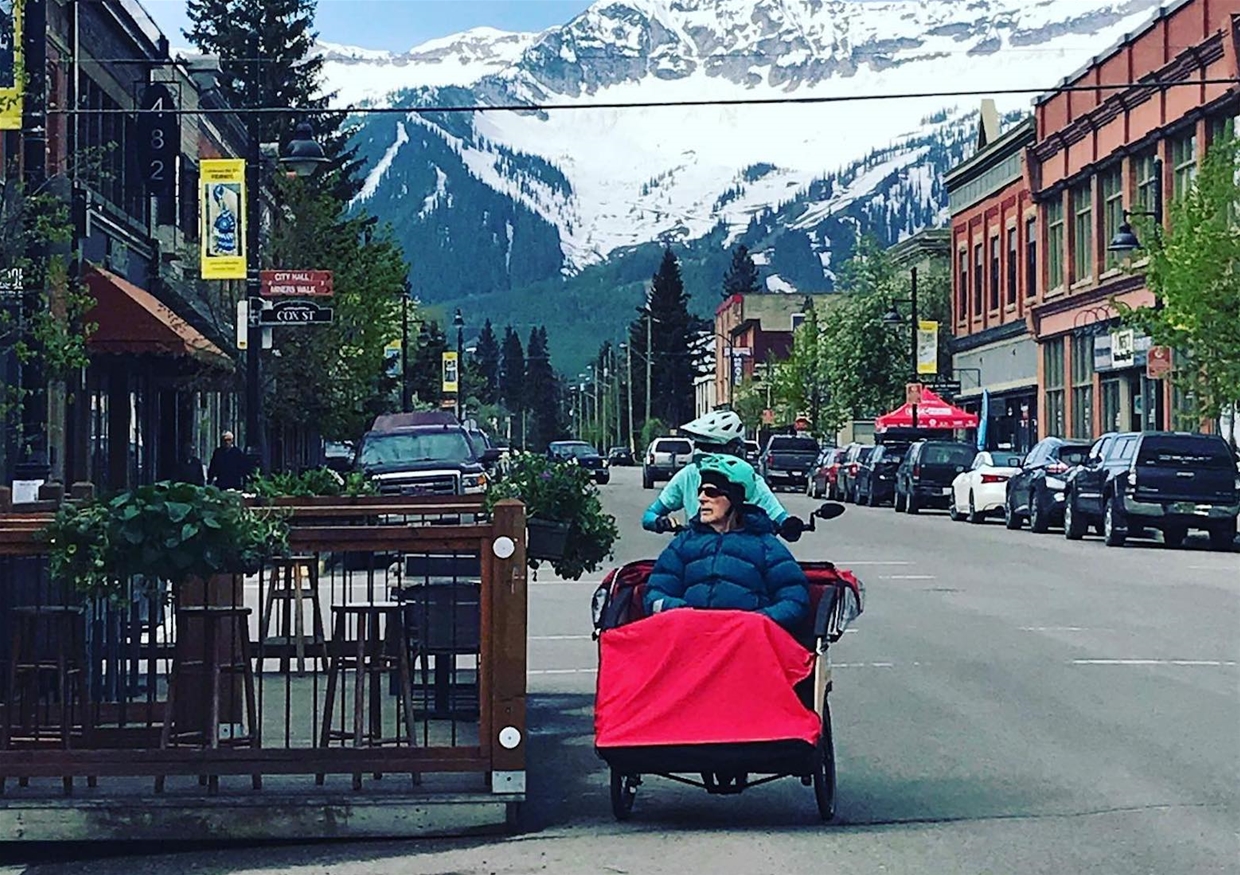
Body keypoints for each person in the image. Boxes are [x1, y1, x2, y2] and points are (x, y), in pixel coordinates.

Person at [643, 455, 809, 632]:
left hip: (745, 641)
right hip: (690, 638)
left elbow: (795, 600)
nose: (701, 498)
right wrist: (682, 613)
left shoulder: (767, 547)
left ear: (734, 498)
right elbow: (655, 595)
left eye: (711, 492)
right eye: (700, 491)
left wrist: (757, 621)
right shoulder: (682, 544)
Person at [641, 410, 806, 540]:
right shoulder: (688, 475)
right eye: (702, 448)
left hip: (744, 555)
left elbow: (780, 517)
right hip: (699, 552)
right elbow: (650, 516)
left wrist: (789, 525)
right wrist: (660, 522)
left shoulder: (749, 479)